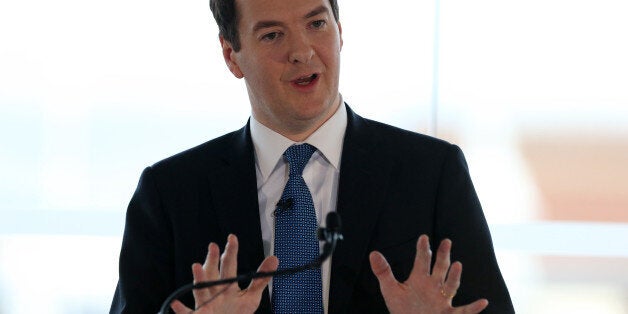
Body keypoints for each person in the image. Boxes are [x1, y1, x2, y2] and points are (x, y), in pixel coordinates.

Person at [110, 0, 515, 312]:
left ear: (339, 31)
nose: (302, 52)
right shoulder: (169, 193)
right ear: (232, 55)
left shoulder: (432, 174)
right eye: (272, 35)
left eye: (316, 24)